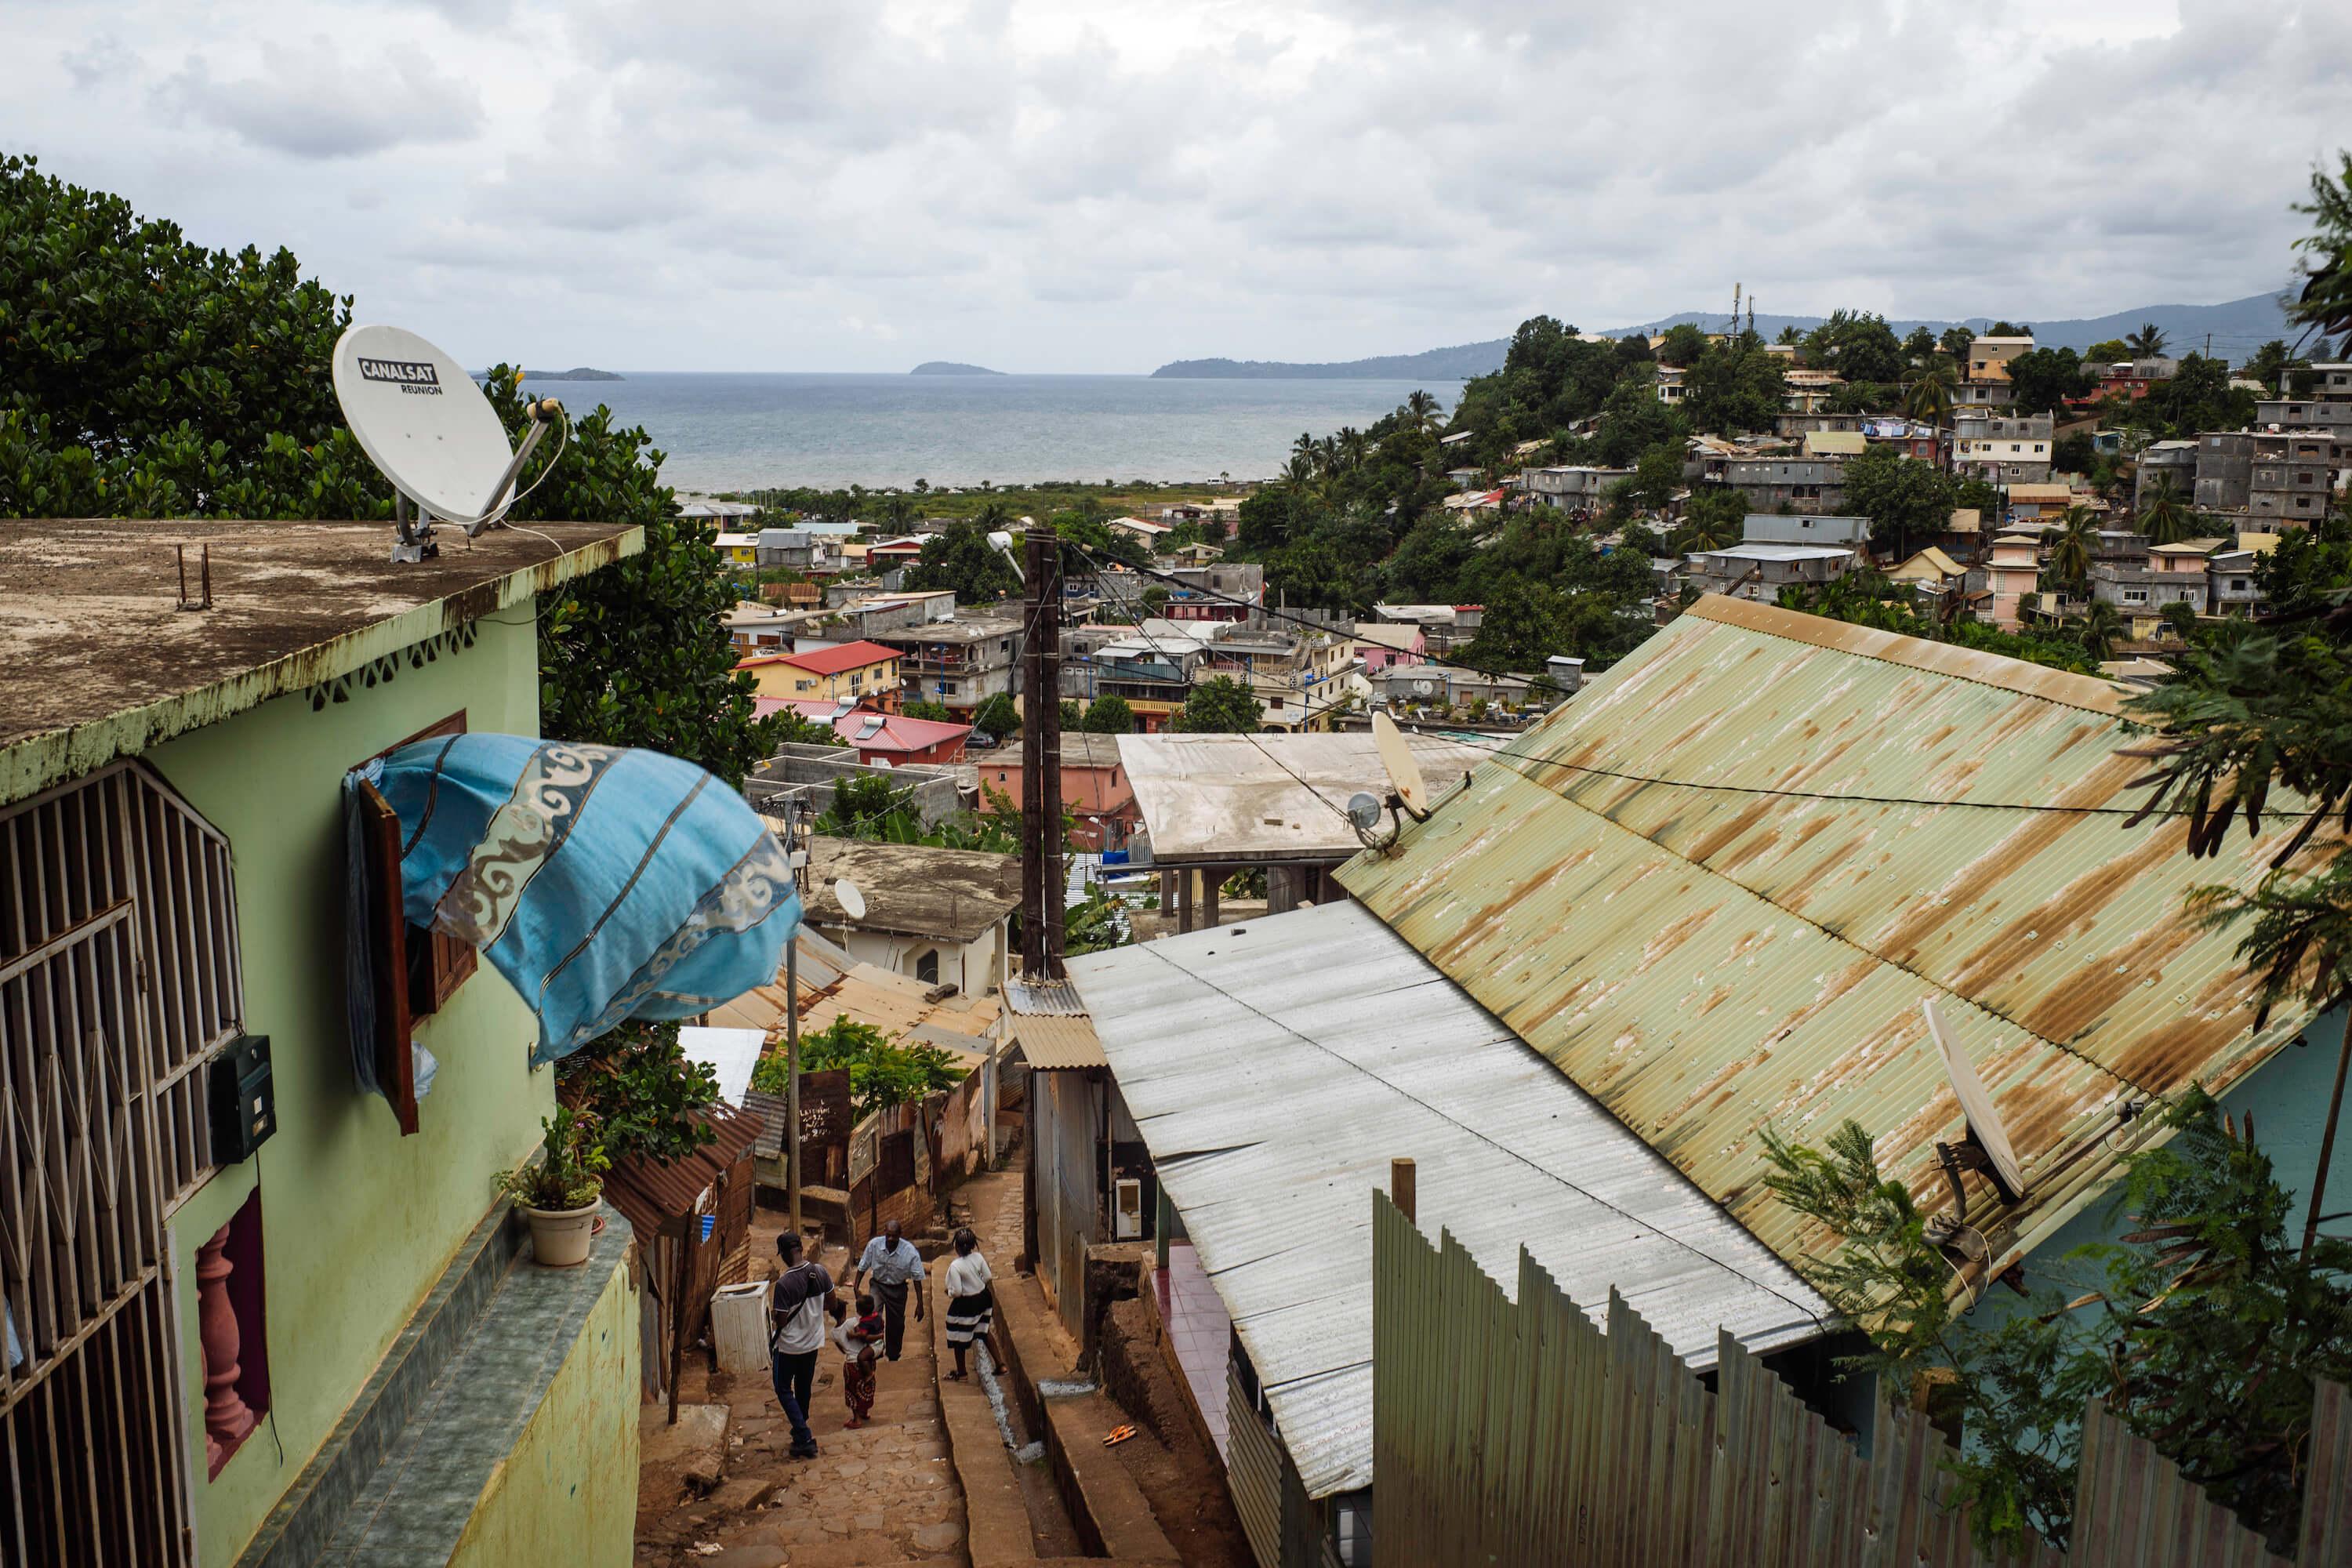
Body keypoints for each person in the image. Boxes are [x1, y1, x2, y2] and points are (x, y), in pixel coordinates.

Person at [769, 1232, 832, 1459]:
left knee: (783, 1387)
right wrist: (811, 1313)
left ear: (785, 1253)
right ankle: (799, 1429)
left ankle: (804, 1436)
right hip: (812, 1343)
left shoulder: (784, 1283)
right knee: (804, 1387)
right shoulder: (821, 1272)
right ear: (801, 1249)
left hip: (789, 1348)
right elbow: (831, 1304)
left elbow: (782, 1321)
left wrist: (776, 1314)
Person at [853, 1220, 925, 1362]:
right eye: (888, 1236)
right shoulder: (874, 1245)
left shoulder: (910, 1252)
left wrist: (920, 1303)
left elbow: (917, 1279)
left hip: (898, 1289)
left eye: (894, 1236)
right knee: (872, 1316)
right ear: (885, 1233)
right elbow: (863, 1266)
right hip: (878, 1286)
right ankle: (873, 1350)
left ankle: (893, 1354)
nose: (891, 1239)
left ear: (900, 1235)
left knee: (896, 1325)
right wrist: (856, 1286)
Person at [942, 1227, 1004, 1381]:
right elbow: (988, 1277)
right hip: (983, 1298)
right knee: (984, 1331)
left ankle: (962, 1373)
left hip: (965, 1303)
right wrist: (977, 1285)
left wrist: (948, 1293)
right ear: (973, 1245)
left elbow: (956, 1291)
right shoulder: (978, 1257)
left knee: (958, 1337)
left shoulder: (956, 1266)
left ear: (956, 1246)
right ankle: (1001, 1365)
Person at [833, 1293, 884, 1428]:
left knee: (853, 1391)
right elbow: (863, 1337)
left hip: (851, 1362)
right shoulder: (853, 1322)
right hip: (866, 1359)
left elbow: (843, 1349)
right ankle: (864, 1411)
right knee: (865, 1388)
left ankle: (856, 1419)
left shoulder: (834, 1334)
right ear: (845, 1310)